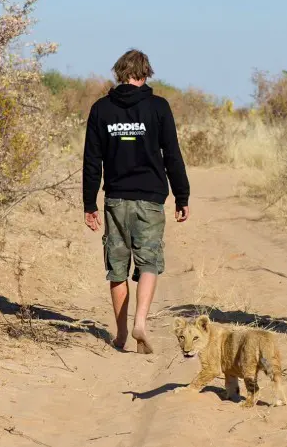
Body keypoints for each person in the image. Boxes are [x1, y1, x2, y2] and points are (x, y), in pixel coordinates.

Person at [82, 49, 190, 354]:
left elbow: (92, 161)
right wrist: (182, 195)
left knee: (117, 268)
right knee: (149, 262)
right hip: (151, 199)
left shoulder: (101, 109)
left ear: (120, 73)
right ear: (145, 73)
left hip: (115, 199)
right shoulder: (158, 107)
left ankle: (121, 333)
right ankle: (141, 320)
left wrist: (89, 205)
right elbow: (172, 154)